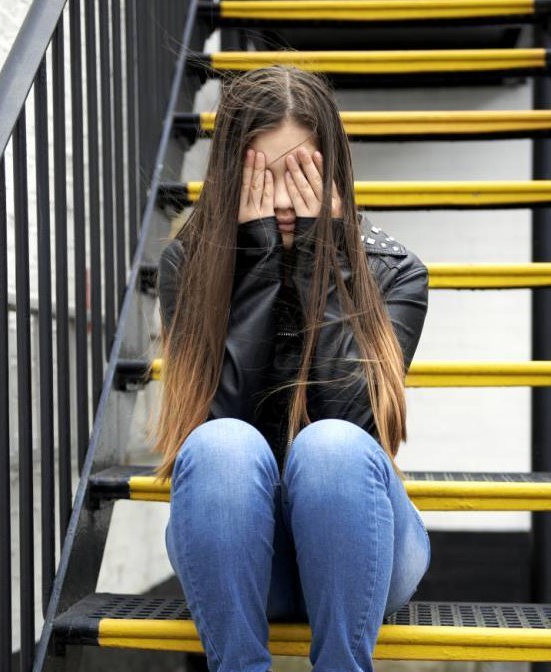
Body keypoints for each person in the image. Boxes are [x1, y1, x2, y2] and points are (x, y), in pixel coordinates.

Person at [149, 64, 431, 672]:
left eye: (300, 175)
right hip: (244, 559)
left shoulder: (393, 272)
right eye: (264, 176)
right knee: (222, 444)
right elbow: (207, 447)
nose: (281, 200)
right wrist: (255, 276)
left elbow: (360, 430)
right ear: (230, 176)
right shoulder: (188, 269)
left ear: (333, 174)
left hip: (364, 550)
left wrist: (316, 266)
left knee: (333, 446)